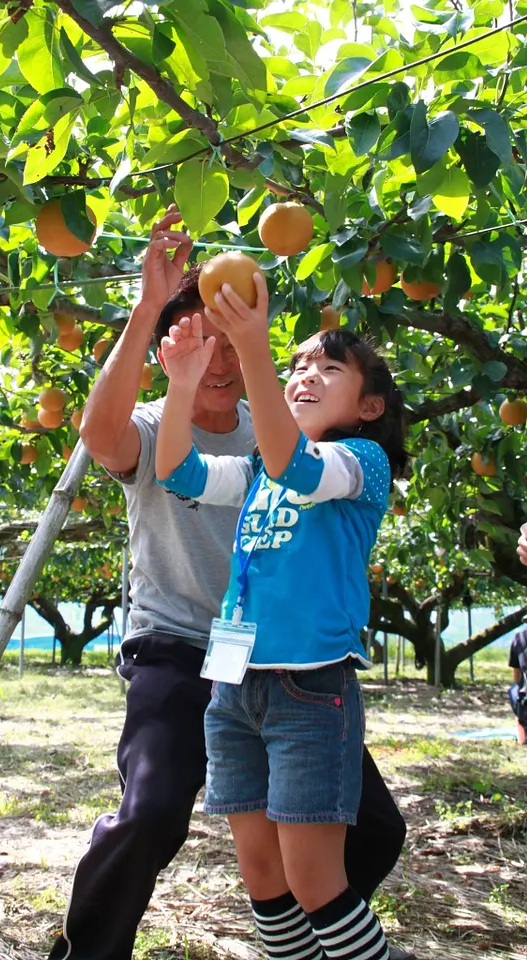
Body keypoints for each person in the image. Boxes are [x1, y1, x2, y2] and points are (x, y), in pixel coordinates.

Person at [48, 205, 408, 960]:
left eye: (231, 343)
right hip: (183, 650)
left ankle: (323, 933)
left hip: (288, 662)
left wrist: (264, 364)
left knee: (372, 830)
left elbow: (294, 461)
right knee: (150, 812)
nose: (217, 360)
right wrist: (150, 311)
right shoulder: (159, 422)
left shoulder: (284, 430)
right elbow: (118, 446)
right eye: (199, 341)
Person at [155, 273, 408, 960]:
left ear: (370, 405)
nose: (305, 377)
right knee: (263, 877)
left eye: (328, 368)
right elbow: (179, 474)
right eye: (296, 366)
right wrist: (181, 384)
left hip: (309, 691)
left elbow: (299, 467)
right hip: (235, 688)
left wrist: (253, 349)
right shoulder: (260, 468)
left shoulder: (362, 463)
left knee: (313, 878)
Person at [508, 626, 527, 745]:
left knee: (514, 691)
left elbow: (516, 677)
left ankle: (522, 734)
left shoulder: (520, 638)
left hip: (525, 696)